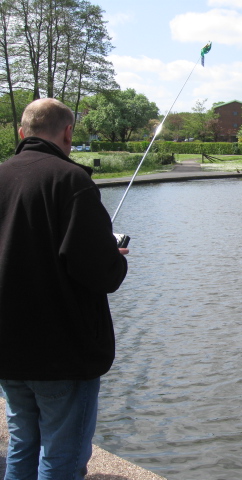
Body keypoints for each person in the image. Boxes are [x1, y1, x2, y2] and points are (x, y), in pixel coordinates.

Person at [0, 98, 129, 479]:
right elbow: (101, 273)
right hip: (60, 352)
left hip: (7, 350)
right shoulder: (71, 180)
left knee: (23, 444)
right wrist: (115, 255)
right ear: (68, 132)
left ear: (22, 133)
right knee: (63, 457)